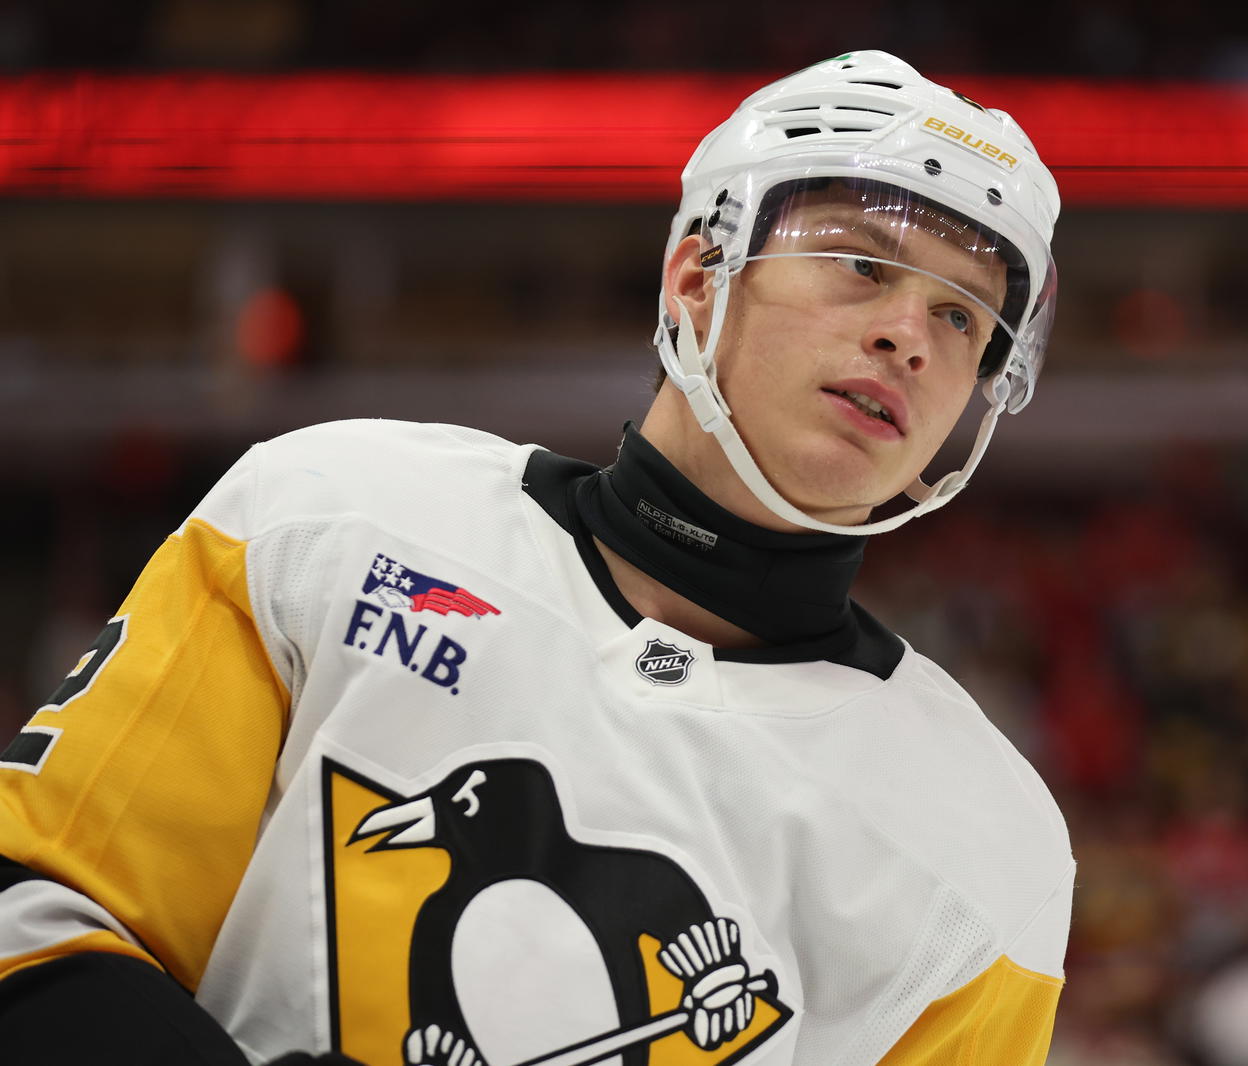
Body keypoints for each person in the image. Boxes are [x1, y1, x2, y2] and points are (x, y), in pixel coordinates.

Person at [0, 50, 1073, 1065]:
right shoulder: (331, 516)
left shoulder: (987, 847)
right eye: (860, 264)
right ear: (698, 275)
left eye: (961, 315)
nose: (909, 336)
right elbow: (36, 913)